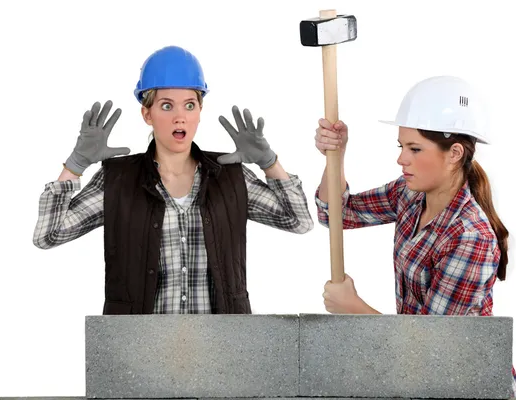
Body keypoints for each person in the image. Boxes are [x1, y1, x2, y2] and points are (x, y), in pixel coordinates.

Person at [33, 45, 313, 315]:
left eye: (189, 105)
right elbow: (48, 235)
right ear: (147, 114)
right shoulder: (117, 181)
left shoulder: (230, 175)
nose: (180, 117)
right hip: (139, 351)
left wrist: (270, 163)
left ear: (199, 113)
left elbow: (299, 221)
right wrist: (75, 166)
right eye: (167, 106)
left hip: (222, 349)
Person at [313, 76, 516, 397]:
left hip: (470, 384)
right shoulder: (410, 195)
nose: (401, 159)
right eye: (401, 146)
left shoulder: (470, 237)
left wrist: (352, 307)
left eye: (414, 149)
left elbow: (430, 346)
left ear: (453, 153)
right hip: (422, 377)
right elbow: (336, 213)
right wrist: (336, 155)